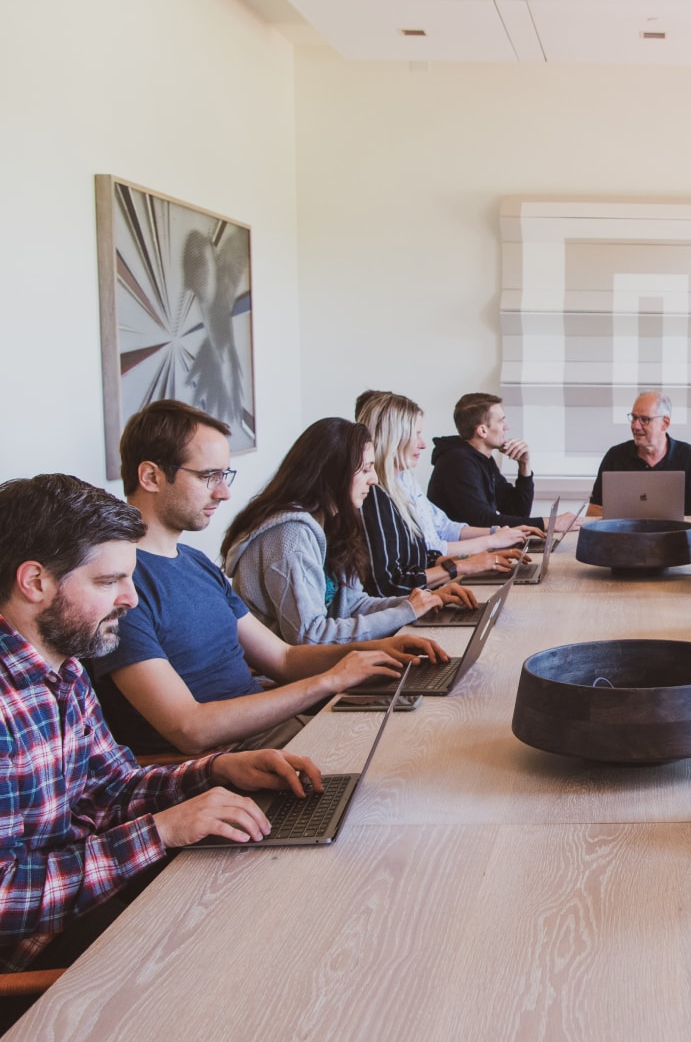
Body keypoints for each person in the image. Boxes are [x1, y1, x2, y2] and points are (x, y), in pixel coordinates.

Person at [0, 474, 323, 990]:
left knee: (277, 895)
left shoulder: (64, 667)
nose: (129, 599)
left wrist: (215, 772)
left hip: (87, 903)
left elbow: (111, 789)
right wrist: (159, 832)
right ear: (35, 581)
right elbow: (6, 897)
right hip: (34, 959)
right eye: (108, 582)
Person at [91, 401, 445, 758]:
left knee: (427, 740)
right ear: (150, 476)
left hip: (277, 731)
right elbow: (190, 729)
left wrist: (377, 649)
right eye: (207, 476)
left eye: (223, 476)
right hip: (237, 760)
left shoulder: (196, 563)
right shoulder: (119, 587)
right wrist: (330, 679)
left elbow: (284, 659)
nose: (223, 492)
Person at [222, 417, 475, 639]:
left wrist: (422, 601)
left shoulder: (332, 522)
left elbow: (353, 605)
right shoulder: (289, 536)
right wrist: (406, 612)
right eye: (365, 469)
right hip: (287, 678)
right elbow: (309, 636)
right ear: (332, 475)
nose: (374, 479)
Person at [354, 391, 527, 594]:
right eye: (416, 434)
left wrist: (482, 550)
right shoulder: (375, 495)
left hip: (425, 592)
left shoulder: (402, 482)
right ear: (395, 438)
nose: (423, 443)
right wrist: (469, 559)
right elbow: (391, 583)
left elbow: (426, 551)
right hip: (405, 607)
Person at [428, 392, 569, 532]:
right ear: (482, 430)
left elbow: (517, 512)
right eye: (501, 421)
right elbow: (481, 521)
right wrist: (547, 523)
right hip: (460, 552)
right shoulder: (457, 462)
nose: (506, 426)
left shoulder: (482, 459)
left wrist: (524, 465)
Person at [586, 390, 691, 516]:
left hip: (676, 535)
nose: (635, 426)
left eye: (644, 420)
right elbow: (593, 510)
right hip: (625, 535)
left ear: (665, 423)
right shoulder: (615, 456)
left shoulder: (688, 456)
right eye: (634, 418)